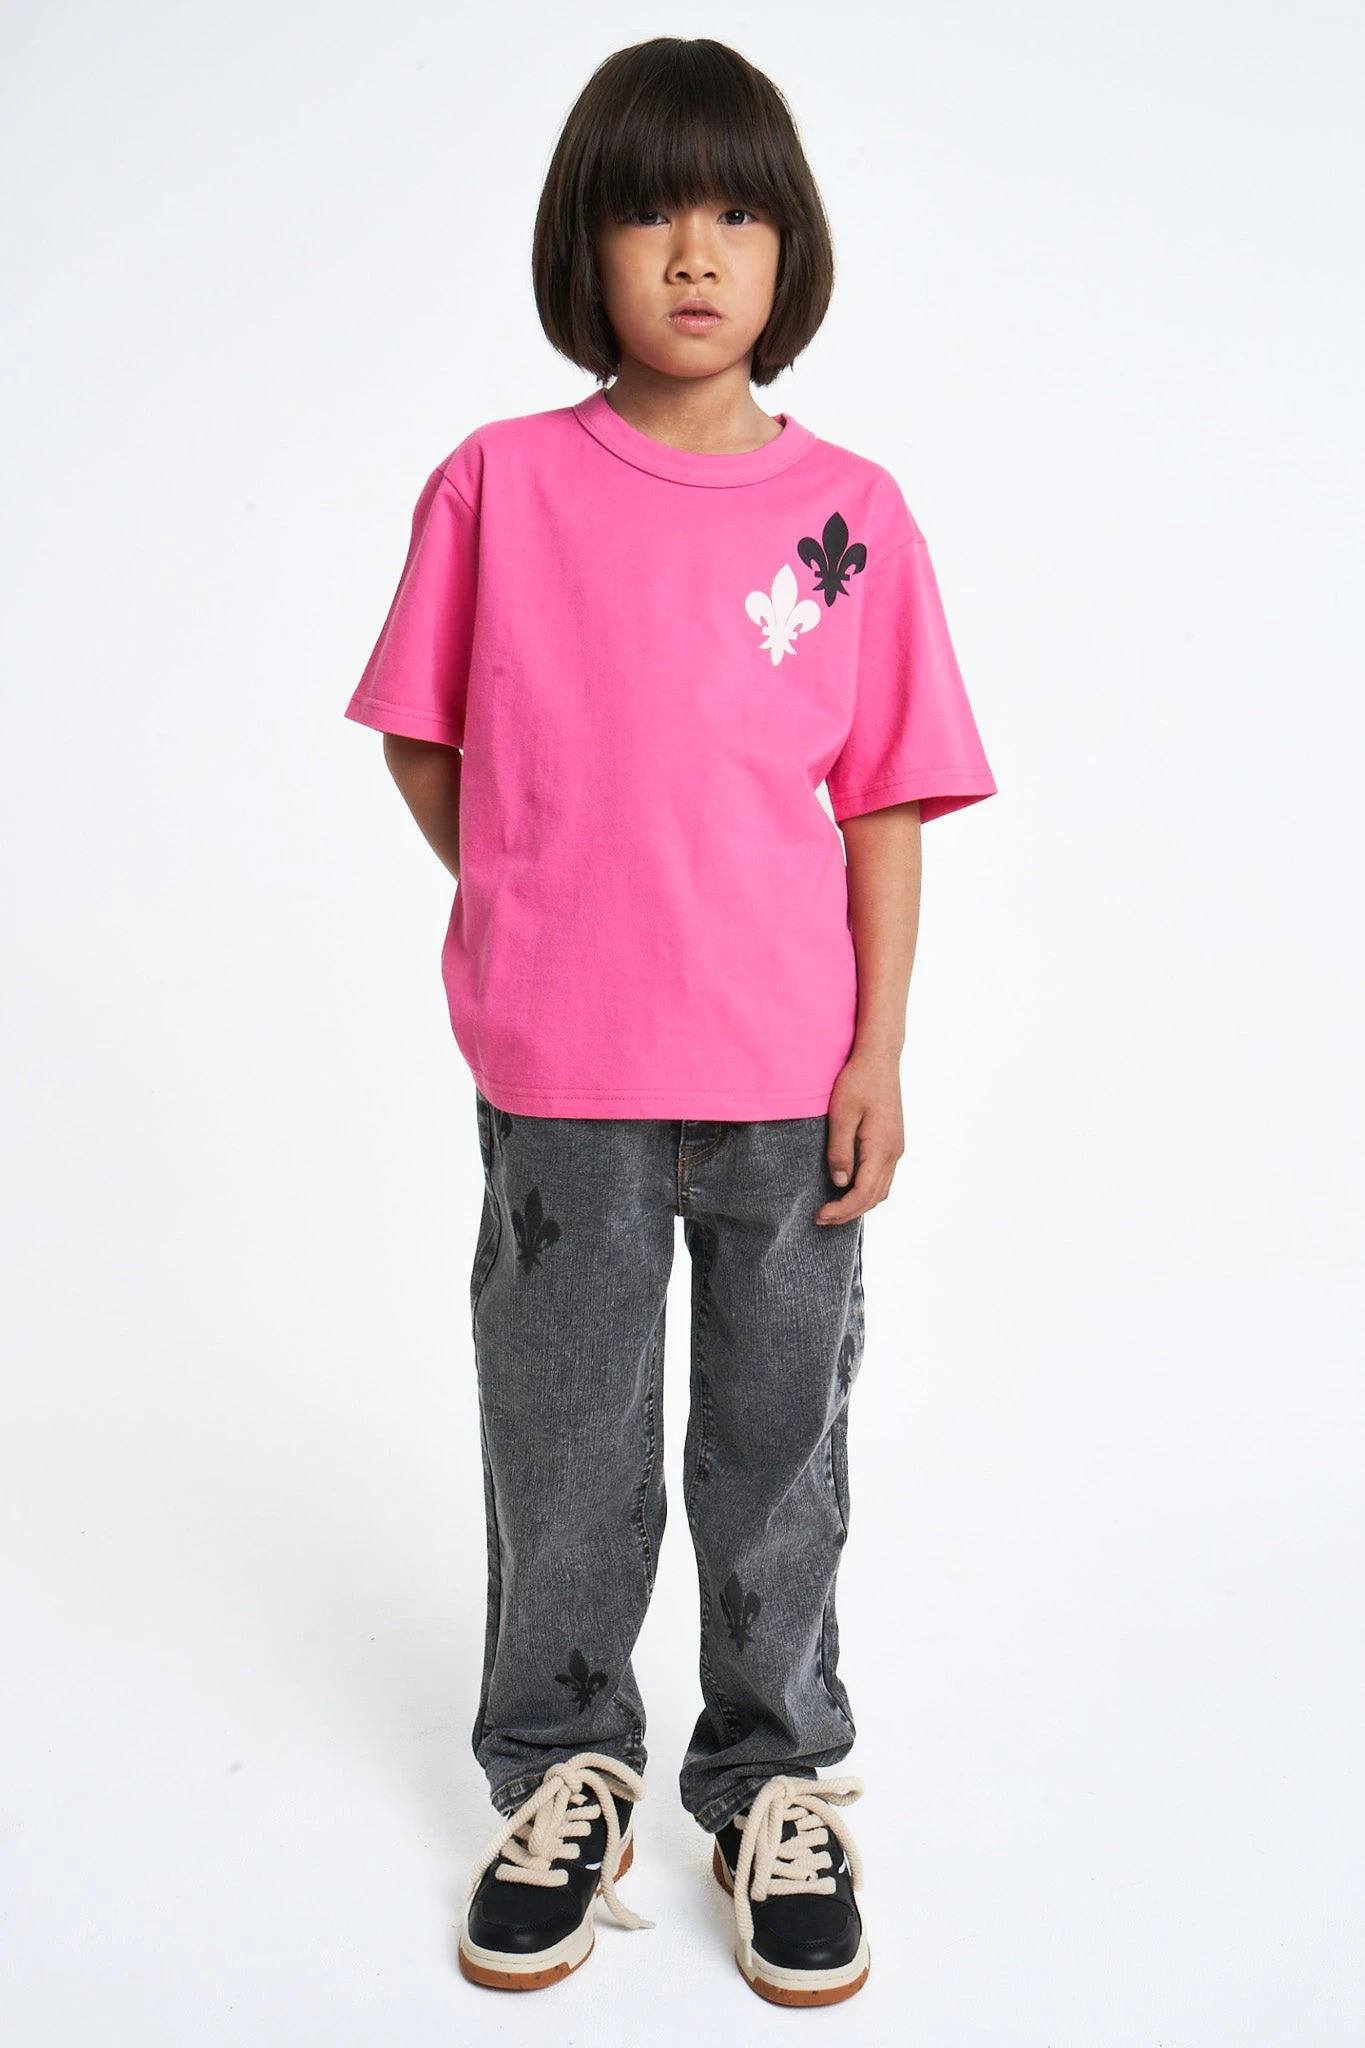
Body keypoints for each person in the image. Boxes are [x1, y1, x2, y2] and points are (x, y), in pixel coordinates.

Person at [343, 35, 997, 2009]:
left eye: (735, 213)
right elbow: (430, 742)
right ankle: (563, 1767)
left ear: (791, 247)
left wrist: (877, 1051)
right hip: (563, 1078)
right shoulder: (501, 485)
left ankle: (773, 1772)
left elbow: (875, 799)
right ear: (586, 246)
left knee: (777, 1440)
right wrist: (536, 889)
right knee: (566, 1438)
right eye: (648, 213)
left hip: (788, 1080)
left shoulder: (839, 524)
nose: (695, 254)